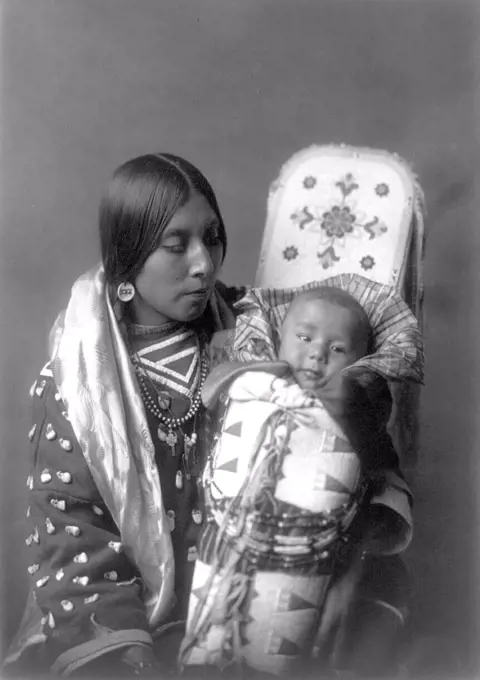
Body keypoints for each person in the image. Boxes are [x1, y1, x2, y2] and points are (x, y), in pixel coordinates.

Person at [4, 153, 245, 677]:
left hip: (240, 615)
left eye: (213, 237)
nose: (204, 263)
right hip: (130, 628)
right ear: (129, 255)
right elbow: (72, 533)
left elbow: (364, 324)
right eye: (176, 245)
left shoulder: (253, 334)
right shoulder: (75, 384)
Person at [179, 286, 415, 676]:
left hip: (307, 560)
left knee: (277, 649)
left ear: (361, 361)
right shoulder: (248, 388)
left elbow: (381, 481)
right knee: (208, 643)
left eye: (337, 349)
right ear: (279, 337)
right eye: (304, 338)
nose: (317, 353)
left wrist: (354, 555)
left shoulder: (359, 416)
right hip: (225, 546)